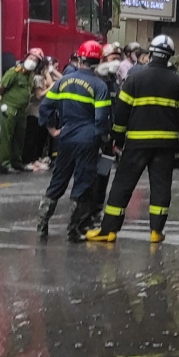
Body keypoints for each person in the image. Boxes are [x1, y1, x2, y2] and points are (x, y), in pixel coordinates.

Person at [88, 35, 179, 244]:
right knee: (161, 187)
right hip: (165, 145)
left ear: (150, 53)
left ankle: (109, 231)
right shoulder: (177, 81)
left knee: (123, 185)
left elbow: (122, 111)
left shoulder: (135, 79)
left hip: (136, 143)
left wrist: (116, 137)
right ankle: (156, 231)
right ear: (170, 56)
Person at [37, 40, 112, 240]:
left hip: (66, 137)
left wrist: (53, 130)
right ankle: (74, 229)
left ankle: (42, 225)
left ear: (79, 58)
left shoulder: (64, 81)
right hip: (88, 139)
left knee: (58, 181)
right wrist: (104, 139)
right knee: (82, 183)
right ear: (99, 61)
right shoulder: (100, 85)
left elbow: (45, 107)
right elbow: (102, 118)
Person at [0, 48, 41, 173]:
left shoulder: (30, 75)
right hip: (10, 108)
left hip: (22, 111)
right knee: (7, 137)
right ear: (26, 58)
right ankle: (5, 164)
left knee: (19, 138)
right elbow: (0, 86)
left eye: (36, 60)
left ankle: (17, 162)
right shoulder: (14, 72)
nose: (32, 62)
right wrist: (0, 96)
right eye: (31, 58)